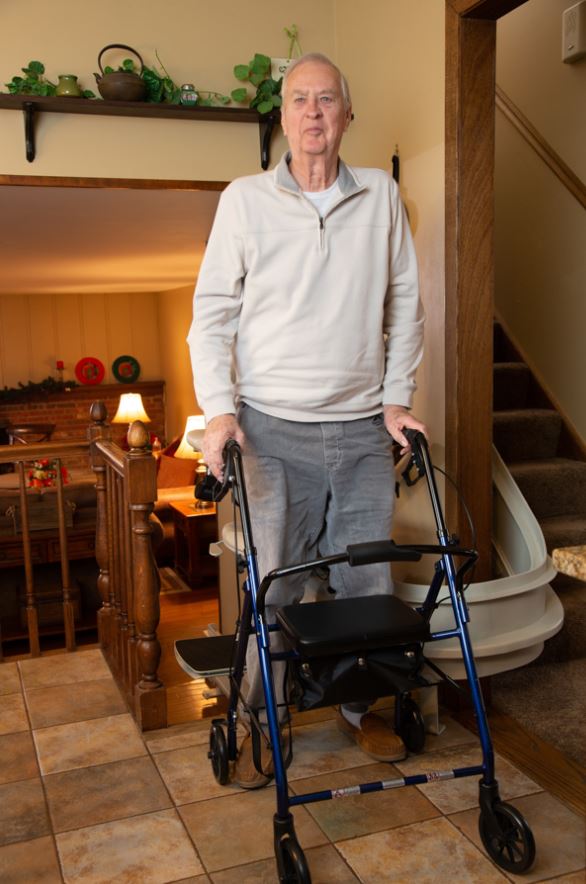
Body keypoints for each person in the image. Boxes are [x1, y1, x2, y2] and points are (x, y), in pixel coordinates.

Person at [188, 52, 426, 788]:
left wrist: (395, 398)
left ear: (346, 116)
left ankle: (364, 711)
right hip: (272, 430)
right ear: (283, 117)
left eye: (328, 100)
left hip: (359, 430)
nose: (314, 113)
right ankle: (265, 716)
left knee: (366, 586)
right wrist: (221, 414)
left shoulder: (382, 196)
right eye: (300, 100)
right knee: (279, 587)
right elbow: (212, 315)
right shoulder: (244, 200)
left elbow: (405, 307)